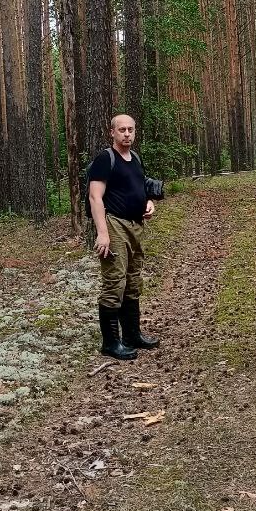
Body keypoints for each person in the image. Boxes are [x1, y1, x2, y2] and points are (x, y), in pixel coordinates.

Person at [87, 115, 161, 361]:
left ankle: (132, 335)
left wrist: (149, 203)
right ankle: (110, 342)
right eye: (122, 130)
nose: (127, 134)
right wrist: (103, 233)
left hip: (136, 226)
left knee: (133, 280)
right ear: (112, 133)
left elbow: (141, 187)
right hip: (115, 224)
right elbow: (95, 197)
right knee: (114, 282)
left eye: (130, 129)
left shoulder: (135, 158)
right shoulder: (105, 159)